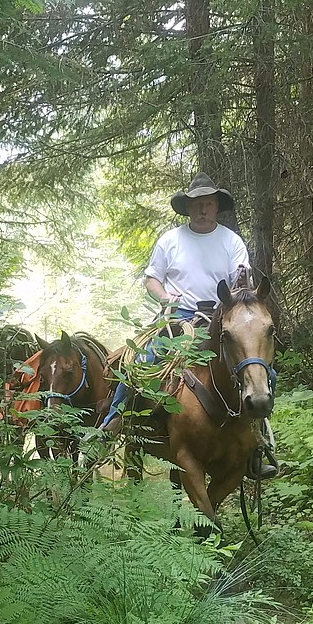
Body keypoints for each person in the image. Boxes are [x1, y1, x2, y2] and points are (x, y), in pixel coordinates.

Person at [97, 174, 279, 476]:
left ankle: (256, 444)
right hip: (178, 316)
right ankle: (114, 420)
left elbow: (240, 277)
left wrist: (240, 288)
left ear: (217, 206)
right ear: (188, 207)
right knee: (141, 358)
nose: (203, 209)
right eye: (198, 204)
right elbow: (152, 278)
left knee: (262, 367)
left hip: (223, 318)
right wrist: (165, 296)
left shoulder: (231, 241)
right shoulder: (170, 240)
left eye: (208, 203)